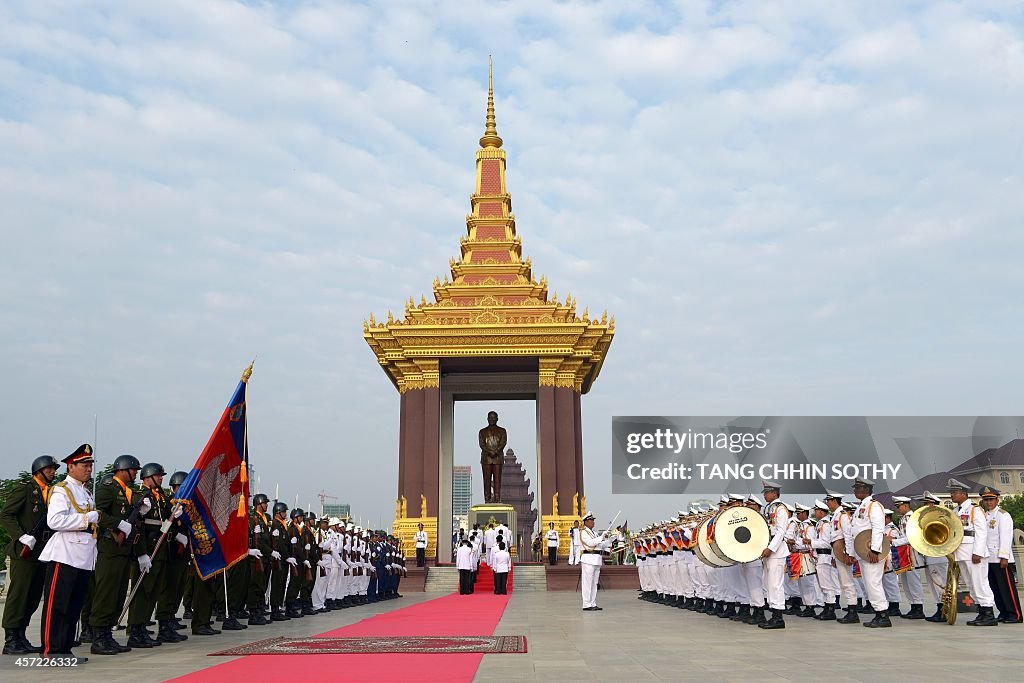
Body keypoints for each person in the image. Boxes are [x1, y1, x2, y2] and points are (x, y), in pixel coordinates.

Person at [38, 444, 104, 662]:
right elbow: (54, 521)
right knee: (58, 605)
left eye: (90, 465)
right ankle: (51, 651)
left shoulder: (85, 491)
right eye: (84, 465)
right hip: (65, 553)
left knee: (73, 606)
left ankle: (65, 649)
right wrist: (86, 519)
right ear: (71, 466)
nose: (88, 469)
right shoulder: (62, 489)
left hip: (84, 555)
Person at [91, 454, 149, 656]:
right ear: (123, 470)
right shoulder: (108, 490)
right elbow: (97, 512)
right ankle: (98, 636)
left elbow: (134, 522)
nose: (135, 474)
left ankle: (107, 634)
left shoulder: (127, 493)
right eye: (133, 470)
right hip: (109, 548)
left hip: (124, 551)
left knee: (117, 596)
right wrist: (118, 524)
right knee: (106, 594)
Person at [1, 454, 58, 655]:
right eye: (50, 469)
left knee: (33, 596)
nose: (53, 472)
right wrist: (20, 536)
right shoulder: (25, 490)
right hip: (24, 552)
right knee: (19, 595)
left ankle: (21, 635)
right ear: (39, 470)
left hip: (42, 551)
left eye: (54, 469)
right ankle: (10, 639)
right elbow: (6, 514)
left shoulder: (51, 493)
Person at [127, 462, 176, 648]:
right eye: (159, 475)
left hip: (160, 548)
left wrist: (173, 512)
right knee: (142, 591)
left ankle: (142, 626)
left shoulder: (159, 497)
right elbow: (138, 526)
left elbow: (163, 518)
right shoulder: (141, 495)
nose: (162, 478)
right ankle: (135, 629)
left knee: (152, 591)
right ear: (148, 477)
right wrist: (141, 553)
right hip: (147, 546)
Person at [947, 478, 998, 625]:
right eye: (951, 492)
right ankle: (982, 611)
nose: (952, 495)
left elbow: (981, 532)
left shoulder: (975, 509)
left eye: (954, 492)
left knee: (979, 582)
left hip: (973, 552)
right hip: (962, 552)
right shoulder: (956, 511)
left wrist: (978, 552)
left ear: (963, 494)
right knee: (971, 583)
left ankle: (988, 613)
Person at [849, 477, 890, 628]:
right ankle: (879, 613)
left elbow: (878, 528)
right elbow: (856, 532)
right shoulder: (861, 507)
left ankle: (883, 615)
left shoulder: (874, 506)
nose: (854, 491)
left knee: (873, 582)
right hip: (863, 551)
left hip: (871, 551)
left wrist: (874, 549)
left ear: (865, 489)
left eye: (857, 488)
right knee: (869, 583)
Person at [979, 485, 1021, 623]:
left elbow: (1006, 537)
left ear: (997, 500)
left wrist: (1004, 557)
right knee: (995, 588)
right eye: (986, 500)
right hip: (988, 558)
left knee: (1007, 588)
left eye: (991, 499)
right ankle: (1003, 612)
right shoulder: (984, 516)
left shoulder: (1003, 515)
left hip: (1000, 558)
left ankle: (1015, 614)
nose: (989, 502)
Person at [155, 471, 191, 634]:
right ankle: (164, 619)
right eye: (181, 487)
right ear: (175, 487)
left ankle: (170, 616)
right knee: (169, 587)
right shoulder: (169, 504)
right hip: (171, 551)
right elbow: (164, 526)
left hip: (182, 552)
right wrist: (177, 534)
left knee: (178, 587)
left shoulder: (185, 506)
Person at [758, 480, 789, 629]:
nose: (764, 495)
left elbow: (781, 531)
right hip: (768, 550)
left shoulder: (780, 509)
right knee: (768, 583)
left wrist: (770, 548)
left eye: (766, 492)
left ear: (774, 493)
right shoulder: (768, 508)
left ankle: (778, 617)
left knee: (775, 584)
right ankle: (773, 613)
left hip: (776, 551)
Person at [890, 495, 925, 619]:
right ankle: (913, 606)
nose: (898, 509)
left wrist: (894, 541)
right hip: (904, 553)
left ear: (905, 505)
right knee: (906, 582)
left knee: (913, 581)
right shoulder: (903, 518)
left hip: (912, 553)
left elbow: (912, 537)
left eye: (899, 506)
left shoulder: (912, 518)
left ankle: (918, 607)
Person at [579, 512, 614, 611]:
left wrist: (609, 540)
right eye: (591, 520)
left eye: (593, 520)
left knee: (594, 583)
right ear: (586, 521)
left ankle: (592, 603)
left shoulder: (594, 533)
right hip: (588, 559)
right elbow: (590, 543)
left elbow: (600, 545)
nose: (593, 522)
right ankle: (586, 604)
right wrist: (601, 537)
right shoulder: (584, 532)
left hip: (596, 560)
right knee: (587, 583)